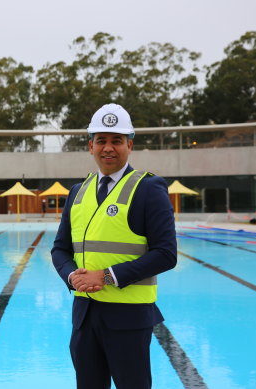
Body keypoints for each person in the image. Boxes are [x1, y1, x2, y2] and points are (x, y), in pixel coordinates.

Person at [51, 103, 177, 389]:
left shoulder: (148, 188)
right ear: (90, 146)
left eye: (117, 141)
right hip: (84, 317)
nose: (109, 148)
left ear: (129, 145)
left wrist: (105, 276)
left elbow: (166, 254)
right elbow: (59, 249)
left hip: (128, 318)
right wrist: (72, 276)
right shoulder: (77, 192)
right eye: (102, 140)